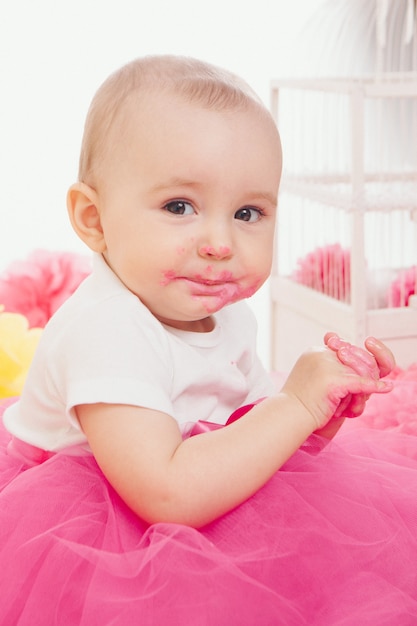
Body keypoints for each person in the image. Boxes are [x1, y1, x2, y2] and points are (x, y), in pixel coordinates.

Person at [0, 55, 416, 625]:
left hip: (194, 486)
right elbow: (167, 494)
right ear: (94, 219)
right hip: (106, 523)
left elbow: (244, 435)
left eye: (248, 212)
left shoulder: (225, 313)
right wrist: (291, 404)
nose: (220, 242)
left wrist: (315, 415)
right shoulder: (106, 330)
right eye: (179, 207)